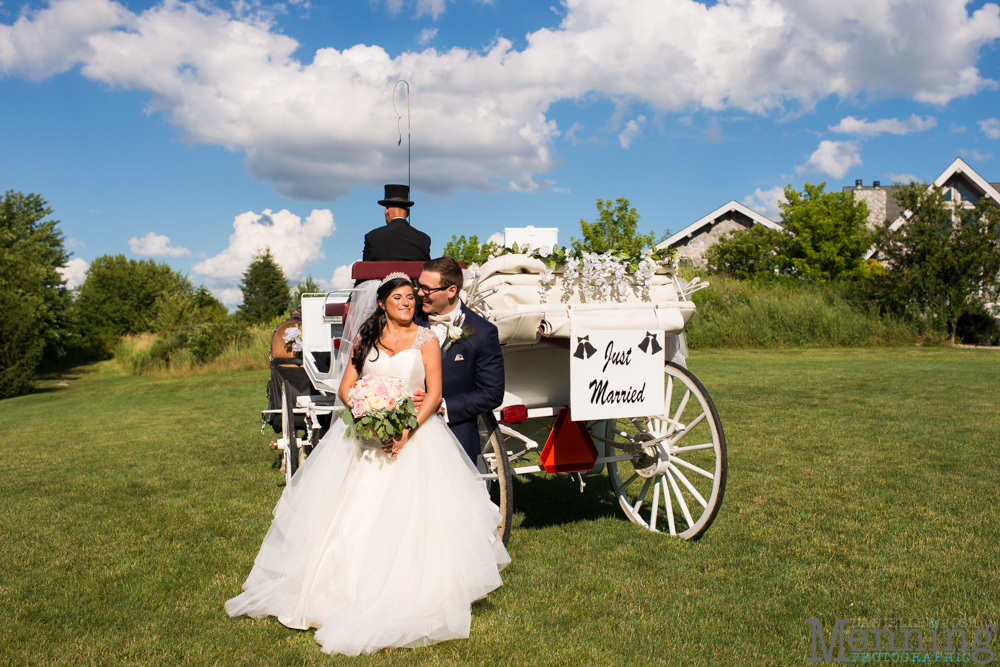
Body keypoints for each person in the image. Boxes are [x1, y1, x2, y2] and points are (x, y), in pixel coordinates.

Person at [225, 275, 509, 656]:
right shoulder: (364, 339)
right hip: (365, 438)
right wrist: (363, 410)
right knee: (350, 512)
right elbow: (347, 386)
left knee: (411, 516)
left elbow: (435, 393)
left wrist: (406, 430)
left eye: (412, 296)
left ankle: (410, 592)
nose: (408, 302)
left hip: (414, 440)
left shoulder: (427, 339)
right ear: (383, 303)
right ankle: (334, 592)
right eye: (400, 297)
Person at [413, 257, 505, 463]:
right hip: (404, 432)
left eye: (427, 289)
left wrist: (443, 405)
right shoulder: (408, 318)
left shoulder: (483, 332)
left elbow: (492, 393)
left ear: (451, 291)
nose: (420, 293)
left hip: (454, 437)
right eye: (419, 286)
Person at [361, 184, 431, 263]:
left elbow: (365, 271)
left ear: (386, 211)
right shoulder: (424, 239)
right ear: (408, 213)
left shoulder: (372, 237)